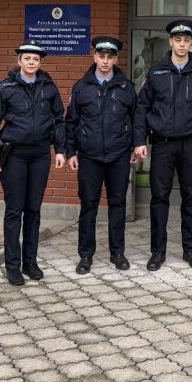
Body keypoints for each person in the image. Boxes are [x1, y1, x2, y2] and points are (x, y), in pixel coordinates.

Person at [133, 19, 192, 271]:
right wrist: (139, 141)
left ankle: (190, 250)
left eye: (186, 40)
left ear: (191, 43)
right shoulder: (156, 73)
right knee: (159, 198)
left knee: (190, 197)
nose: (182, 44)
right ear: (171, 42)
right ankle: (157, 252)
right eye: (178, 40)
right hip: (163, 144)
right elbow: (141, 109)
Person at [0, 43, 66, 286]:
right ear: (19, 61)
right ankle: (12, 266)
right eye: (27, 58)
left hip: (40, 155)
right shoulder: (5, 88)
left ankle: (30, 262)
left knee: (33, 210)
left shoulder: (48, 87)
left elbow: (59, 120)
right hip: (14, 155)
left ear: (40, 63)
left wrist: (60, 149)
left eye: (35, 59)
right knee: (14, 210)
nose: (31, 62)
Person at [65, 36, 137, 275]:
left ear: (116, 59)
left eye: (110, 57)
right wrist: (71, 152)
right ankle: (86, 255)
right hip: (89, 156)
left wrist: (136, 146)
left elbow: (136, 120)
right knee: (89, 206)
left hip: (119, 155)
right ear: (94, 57)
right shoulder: (81, 87)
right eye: (101, 56)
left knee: (118, 204)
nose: (105, 61)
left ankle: (118, 253)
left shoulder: (126, 87)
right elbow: (71, 122)